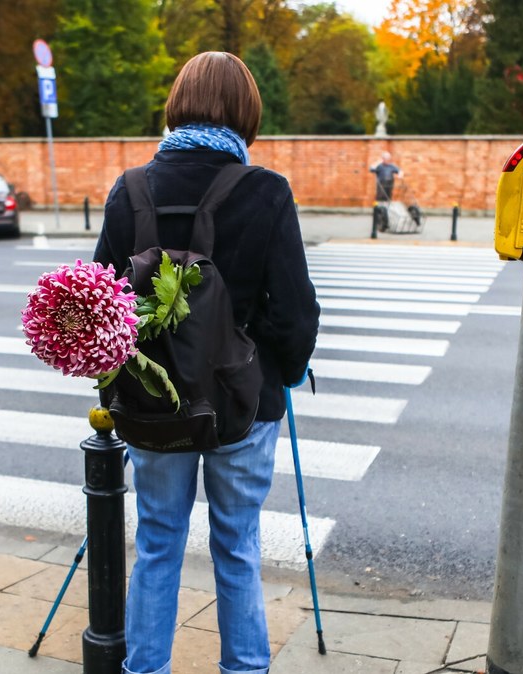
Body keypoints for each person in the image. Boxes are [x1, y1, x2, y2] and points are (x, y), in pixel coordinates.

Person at [93, 51, 319, 674]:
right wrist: (283, 370)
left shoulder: (130, 189)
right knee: (237, 548)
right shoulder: (266, 192)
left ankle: (145, 668)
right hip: (242, 406)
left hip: (153, 405)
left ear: (176, 105)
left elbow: (98, 301)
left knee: (158, 545)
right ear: (247, 112)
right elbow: (296, 314)